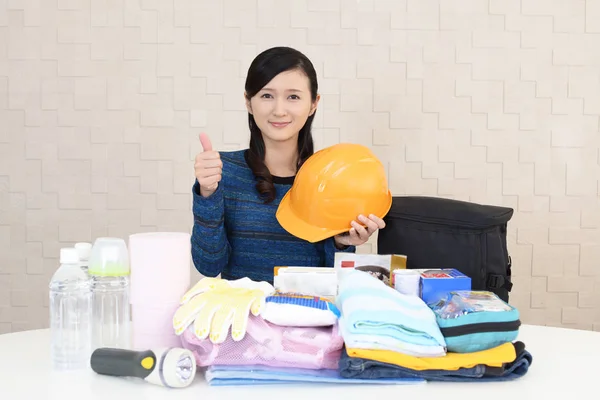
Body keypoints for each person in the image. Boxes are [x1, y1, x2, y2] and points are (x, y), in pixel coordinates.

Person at [191, 46, 386, 284]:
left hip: (309, 315)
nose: (279, 110)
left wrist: (341, 243)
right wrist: (207, 194)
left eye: (293, 96)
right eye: (266, 96)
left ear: (314, 103)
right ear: (249, 102)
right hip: (244, 317)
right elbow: (208, 267)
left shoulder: (332, 177)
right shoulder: (222, 171)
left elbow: (334, 281)